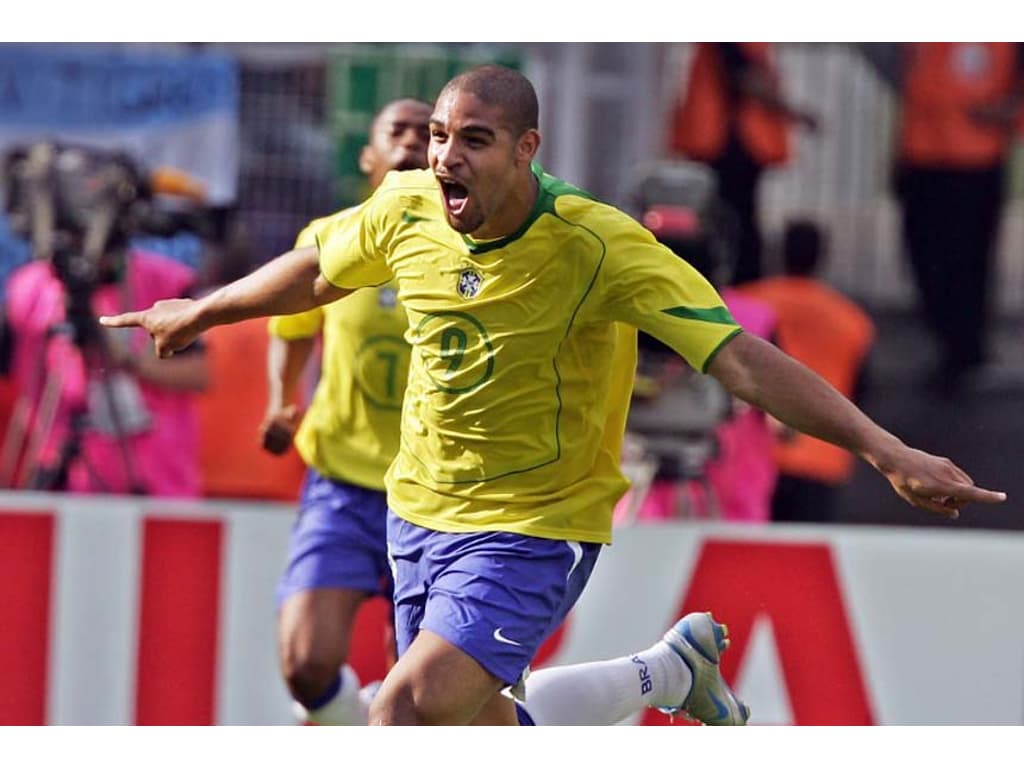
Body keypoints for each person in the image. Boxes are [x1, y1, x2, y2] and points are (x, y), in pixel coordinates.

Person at [101, 64, 1006, 727]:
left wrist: (887, 449)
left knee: (402, 713)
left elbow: (738, 358)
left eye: (475, 141)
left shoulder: (596, 245)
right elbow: (318, 272)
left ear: (528, 149)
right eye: (444, 137)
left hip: (534, 524)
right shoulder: (407, 206)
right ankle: (663, 675)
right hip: (416, 511)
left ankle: (659, 676)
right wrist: (208, 308)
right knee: (474, 730)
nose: (447, 157)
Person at [261, 97, 433, 725]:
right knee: (306, 662)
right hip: (342, 485)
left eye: (429, 133)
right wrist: (283, 402)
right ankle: (342, 725)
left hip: (435, 498)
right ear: (369, 154)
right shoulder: (329, 238)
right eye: (399, 130)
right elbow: (293, 327)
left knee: (430, 700)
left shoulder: (471, 254)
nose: (414, 142)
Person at [4, 245, 209, 496]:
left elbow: (200, 373)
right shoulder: (31, 285)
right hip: (58, 466)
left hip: (154, 476)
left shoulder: (164, 279)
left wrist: (127, 361)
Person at [893, 43, 1024, 392]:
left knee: (968, 262)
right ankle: (949, 341)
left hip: (975, 161)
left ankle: (965, 350)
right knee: (925, 256)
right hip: (922, 157)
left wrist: (1007, 109)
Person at [739, 219, 875, 523]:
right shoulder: (851, 318)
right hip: (823, 454)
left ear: (779, 252)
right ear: (822, 256)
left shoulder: (748, 302)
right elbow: (861, 389)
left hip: (754, 455)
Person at [669, 43, 818, 285]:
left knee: (728, 218)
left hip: (727, 140)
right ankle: (740, 284)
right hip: (730, 142)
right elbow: (745, 79)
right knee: (736, 222)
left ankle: (728, 281)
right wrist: (793, 112)